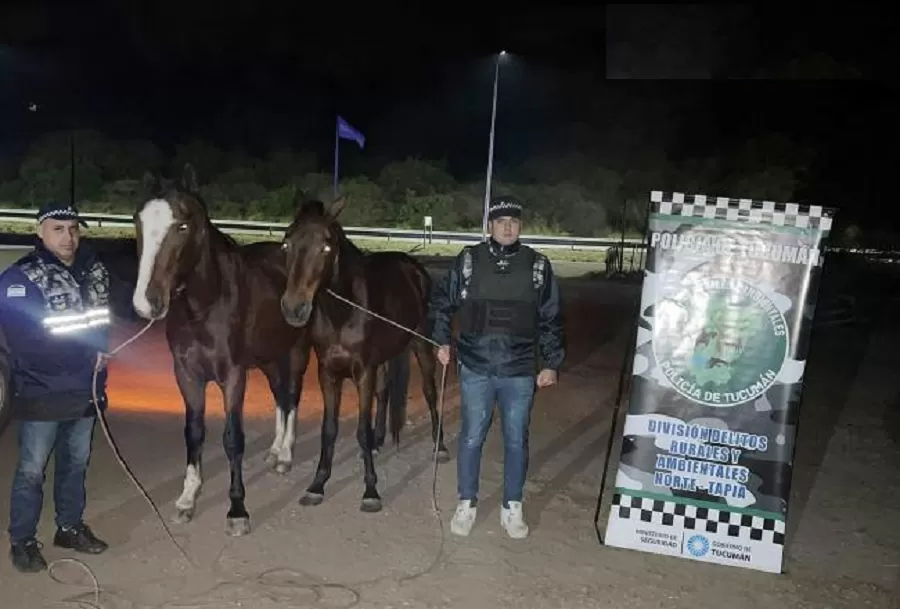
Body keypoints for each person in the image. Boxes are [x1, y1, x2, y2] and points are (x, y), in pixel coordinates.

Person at [430, 195, 565, 539]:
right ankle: (466, 502)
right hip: (475, 366)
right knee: (472, 436)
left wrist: (550, 362)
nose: (507, 227)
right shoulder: (468, 260)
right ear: (489, 226)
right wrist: (442, 339)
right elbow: (443, 303)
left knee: (516, 440)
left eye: (514, 222)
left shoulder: (538, 266)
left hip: (519, 370)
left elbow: (551, 317)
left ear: (520, 226)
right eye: (501, 221)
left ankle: (512, 505)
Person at [0, 201, 112, 573]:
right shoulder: (21, 278)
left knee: (75, 464)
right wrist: (85, 353)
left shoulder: (93, 272)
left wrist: (101, 350)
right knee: (32, 470)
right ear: (40, 232)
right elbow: (24, 341)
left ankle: (70, 527)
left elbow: (102, 323)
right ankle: (22, 540)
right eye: (58, 229)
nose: (68, 237)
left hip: (86, 391)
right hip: (41, 391)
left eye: (73, 228)